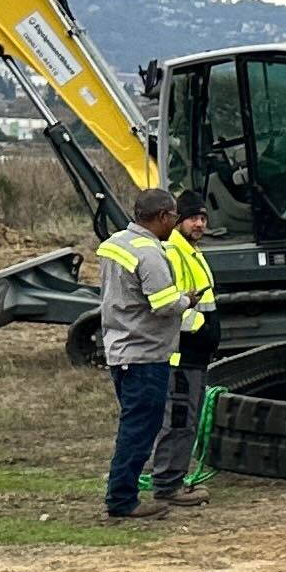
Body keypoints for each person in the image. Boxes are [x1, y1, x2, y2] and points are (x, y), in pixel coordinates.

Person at [97, 188, 201, 520]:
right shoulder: (150, 253)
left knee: (134, 425)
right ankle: (122, 501)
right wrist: (187, 300)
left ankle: (121, 495)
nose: (175, 222)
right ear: (162, 217)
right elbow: (162, 303)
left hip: (122, 348)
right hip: (144, 354)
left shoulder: (117, 242)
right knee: (139, 429)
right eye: (173, 216)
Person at [150, 189, 220, 507]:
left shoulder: (191, 251)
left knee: (186, 420)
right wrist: (201, 331)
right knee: (178, 419)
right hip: (183, 354)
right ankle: (167, 485)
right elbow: (171, 306)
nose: (200, 224)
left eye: (203, 218)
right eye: (193, 218)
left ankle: (173, 480)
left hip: (195, 354)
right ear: (177, 221)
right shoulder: (174, 253)